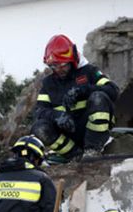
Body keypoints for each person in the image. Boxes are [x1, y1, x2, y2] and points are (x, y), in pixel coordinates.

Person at [32, 34, 119, 163]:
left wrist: (85, 90)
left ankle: (92, 151)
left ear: (73, 61)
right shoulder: (49, 84)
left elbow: (113, 90)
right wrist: (57, 115)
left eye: (63, 65)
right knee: (39, 127)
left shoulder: (89, 72)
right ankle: (74, 155)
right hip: (69, 133)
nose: (59, 70)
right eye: (54, 66)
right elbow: (39, 111)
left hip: (90, 129)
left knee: (98, 97)